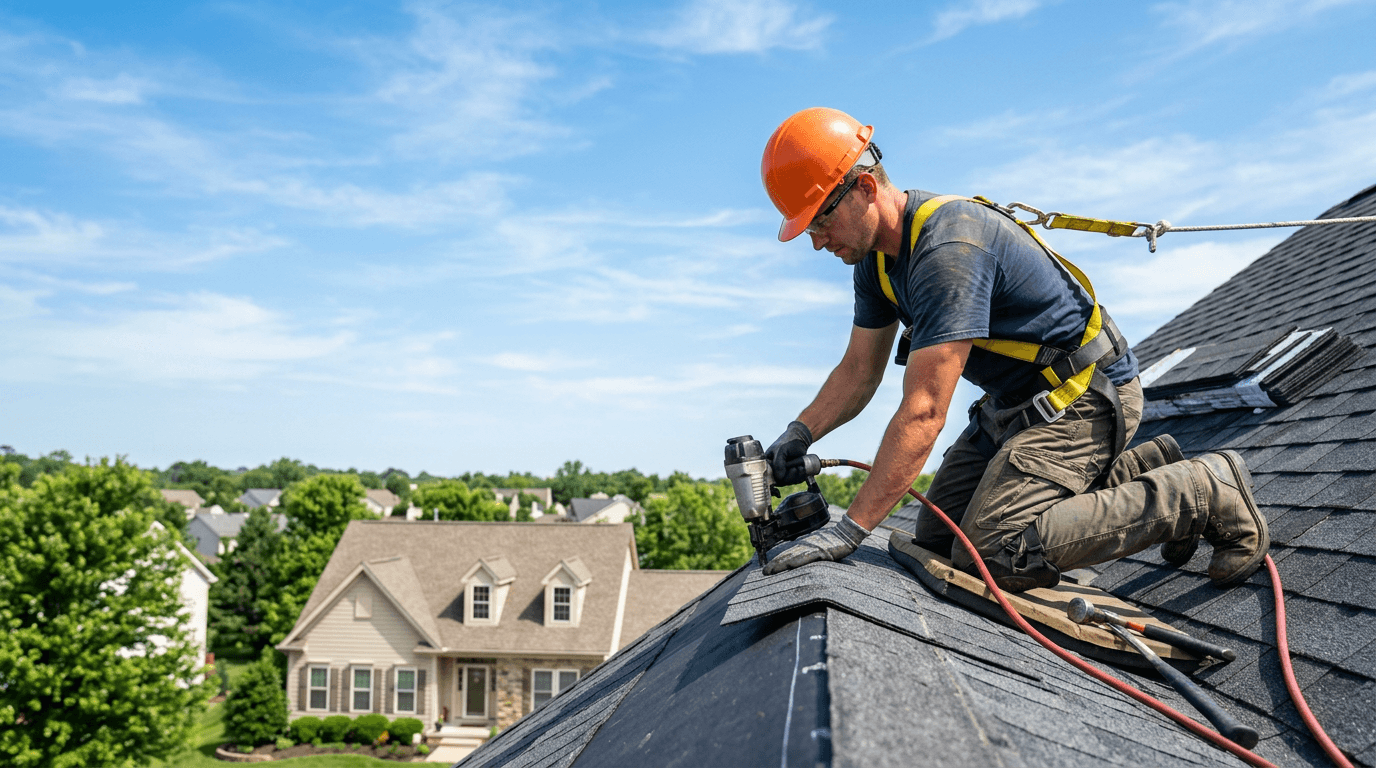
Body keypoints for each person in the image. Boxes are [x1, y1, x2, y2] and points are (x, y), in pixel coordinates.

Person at [756, 107, 1269, 591]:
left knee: (997, 551)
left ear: (865, 187)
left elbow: (923, 413)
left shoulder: (947, 251)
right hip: (1018, 406)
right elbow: (858, 372)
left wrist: (847, 533)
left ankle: (1201, 490)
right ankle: (1146, 469)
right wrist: (799, 434)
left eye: (820, 220)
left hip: (1082, 396)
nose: (817, 241)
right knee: (939, 538)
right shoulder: (878, 262)